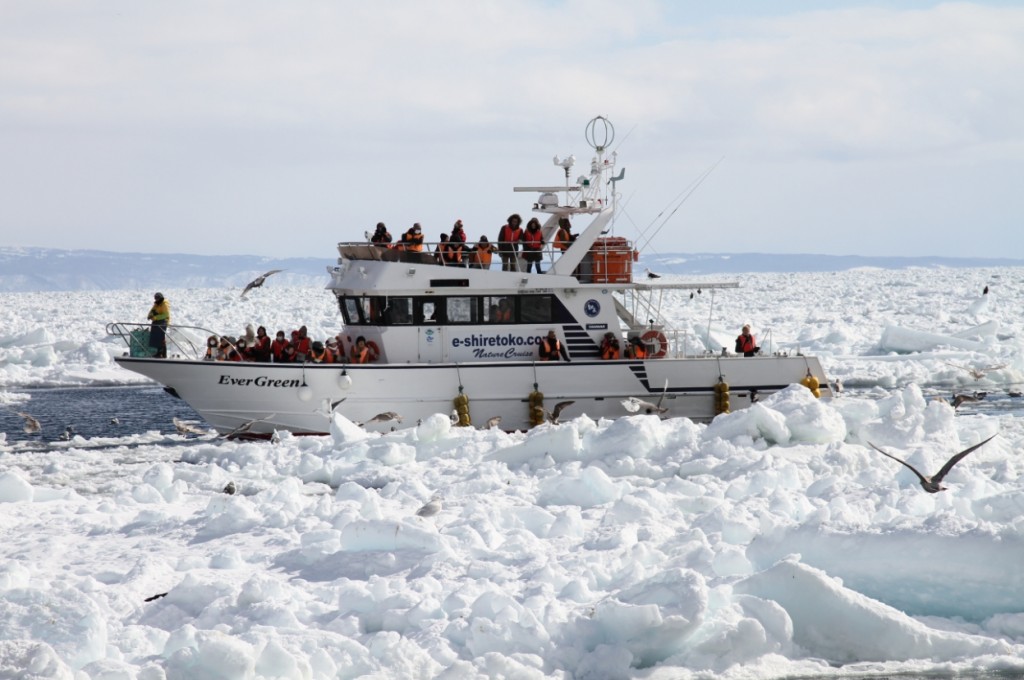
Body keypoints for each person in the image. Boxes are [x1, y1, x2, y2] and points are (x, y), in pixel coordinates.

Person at [146, 292, 170, 358]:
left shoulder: (164, 304)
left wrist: (156, 317)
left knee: (160, 337)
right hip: (157, 322)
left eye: (158, 298)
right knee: (155, 337)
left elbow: (166, 315)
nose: (156, 299)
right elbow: (152, 311)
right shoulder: (156, 304)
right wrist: (150, 315)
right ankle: (159, 353)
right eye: (155, 298)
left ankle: (162, 354)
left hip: (163, 322)